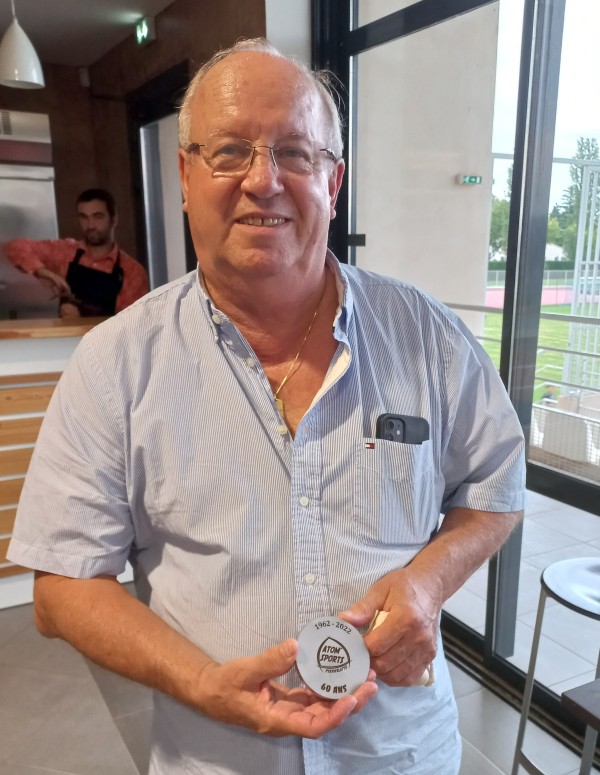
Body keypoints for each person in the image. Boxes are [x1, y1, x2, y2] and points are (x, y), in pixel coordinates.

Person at [8, 39, 525, 775]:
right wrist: (200, 682)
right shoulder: (116, 362)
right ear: (185, 176)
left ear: (333, 182)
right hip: (215, 759)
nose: (264, 180)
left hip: (402, 754)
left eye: (295, 153)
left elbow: (496, 488)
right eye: (229, 152)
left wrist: (428, 580)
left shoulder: (426, 335)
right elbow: (61, 587)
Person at [4, 188, 148, 318]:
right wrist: (41, 271)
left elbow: (132, 326)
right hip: (66, 339)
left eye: (98, 216)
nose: (90, 225)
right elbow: (15, 246)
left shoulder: (132, 271)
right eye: (84, 217)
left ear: (114, 219)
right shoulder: (66, 252)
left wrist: (82, 319)